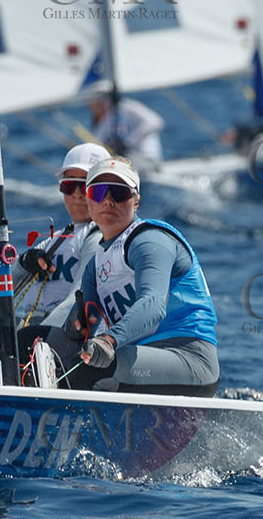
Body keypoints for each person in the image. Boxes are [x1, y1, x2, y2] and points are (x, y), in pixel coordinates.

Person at [50, 157, 220, 396]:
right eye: (99, 193)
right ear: (88, 201)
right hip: (138, 358)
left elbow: (153, 306)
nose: (108, 201)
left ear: (136, 201)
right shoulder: (96, 264)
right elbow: (81, 326)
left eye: (119, 193)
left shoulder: (150, 241)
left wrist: (108, 340)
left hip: (190, 358)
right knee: (50, 348)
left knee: (92, 369)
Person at [14, 143, 109, 367]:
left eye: (84, 186)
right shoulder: (55, 239)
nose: (76, 195)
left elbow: (77, 299)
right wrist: (23, 262)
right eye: (68, 186)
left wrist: (35, 340)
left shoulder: (100, 237)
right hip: (35, 331)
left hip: (66, 339)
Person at [84, 81, 165, 170]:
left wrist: (128, 143)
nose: (96, 103)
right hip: (125, 167)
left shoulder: (128, 108)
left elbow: (156, 122)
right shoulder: (100, 126)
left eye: (100, 98)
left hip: (147, 161)